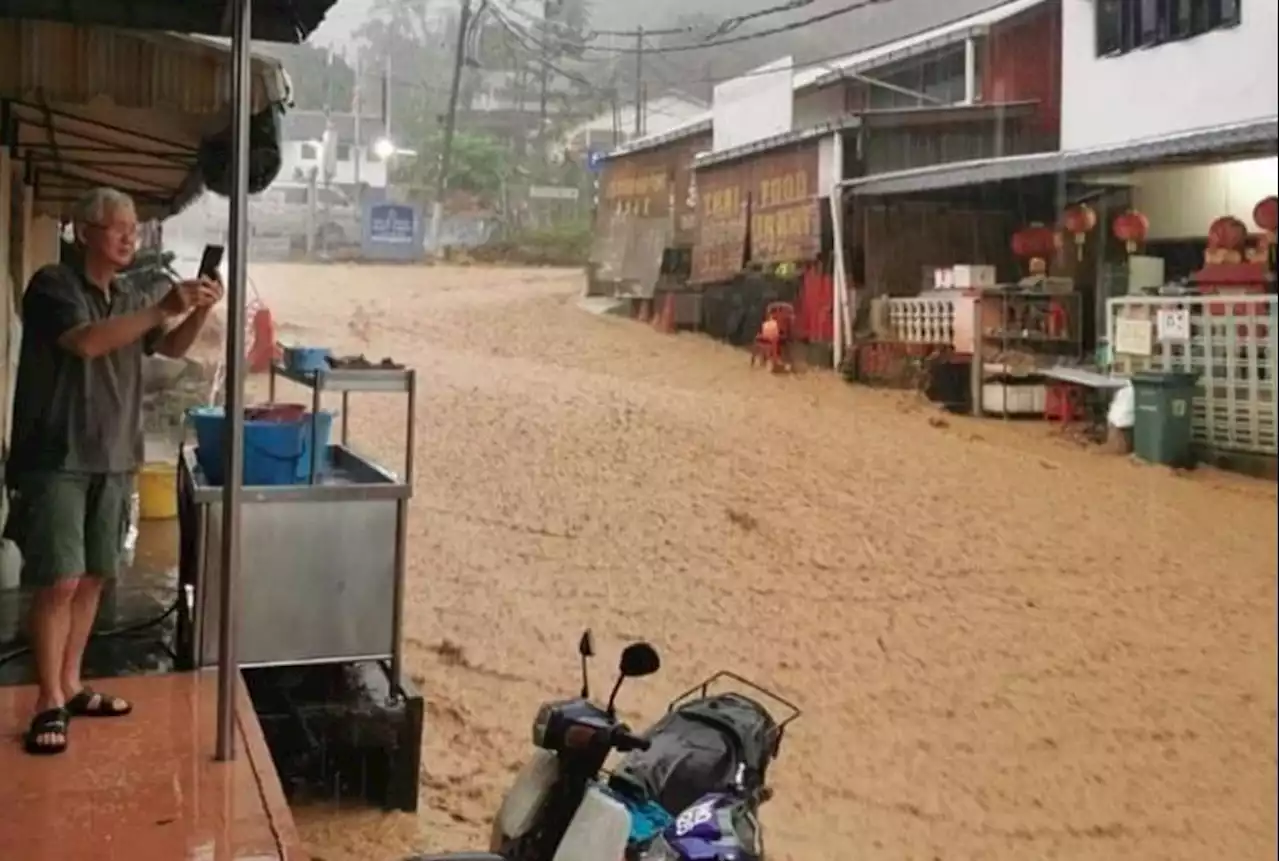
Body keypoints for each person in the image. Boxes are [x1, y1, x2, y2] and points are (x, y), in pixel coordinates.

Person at [4, 187, 223, 755]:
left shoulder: (126, 292)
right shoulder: (54, 284)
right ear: (85, 233)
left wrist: (196, 309)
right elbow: (86, 344)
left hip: (114, 455)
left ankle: (72, 684)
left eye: (134, 227)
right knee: (59, 579)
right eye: (117, 227)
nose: (130, 237)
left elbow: (168, 347)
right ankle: (47, 700)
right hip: (57, 458)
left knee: (96, 575)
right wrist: (161, 306)